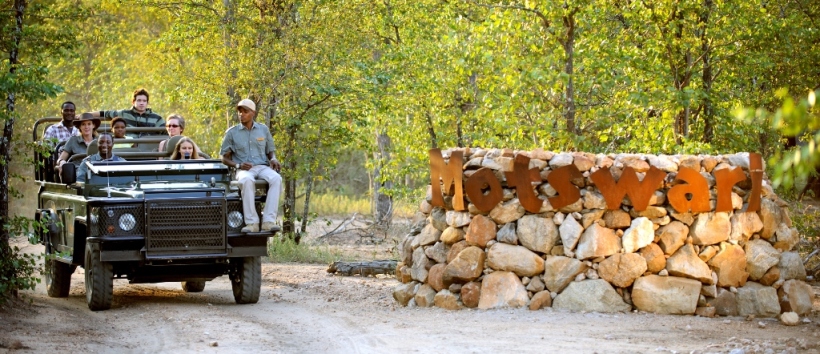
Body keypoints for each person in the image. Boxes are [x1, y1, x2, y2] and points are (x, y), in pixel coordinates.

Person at [220, 99, 281, 233]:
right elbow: (223, 157)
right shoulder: (232, 133)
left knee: (276, 178)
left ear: (253, 113)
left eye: (245, 111)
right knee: (247, 180)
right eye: (240, 112)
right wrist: (238, 165)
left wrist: (274, 159)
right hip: (244, 169)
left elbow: (270, 150)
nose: (241, 114)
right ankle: (252, 223)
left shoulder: (263, 129)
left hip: (262, 166)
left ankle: (268, 222)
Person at [84, 88, 164, 128]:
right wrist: (84, 115)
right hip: (128, 147)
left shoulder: (156, 118)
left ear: (147, 103)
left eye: (144, 101)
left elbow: (166, 132)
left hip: (149, 149)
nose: (141, 103)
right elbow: (104, 113)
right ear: (133, 102)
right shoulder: (124, 113)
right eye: (139, 100)